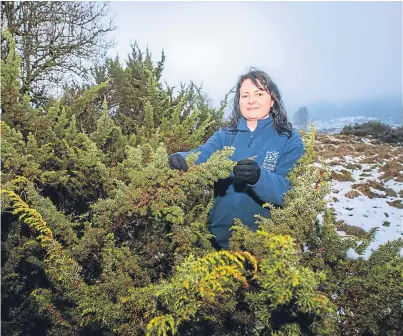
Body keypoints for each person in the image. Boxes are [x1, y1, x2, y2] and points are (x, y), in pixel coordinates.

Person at [168, 68, 305, 249]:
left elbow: (289, 192)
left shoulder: (289, 140)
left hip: (263, 245)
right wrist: (183, 158)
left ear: (272, 99)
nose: (251, 101)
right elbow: (203, 153)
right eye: (245, 95)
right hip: (216, 241)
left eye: (259, 94)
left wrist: (259, 178)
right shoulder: (225, 135)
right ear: (238, 101)